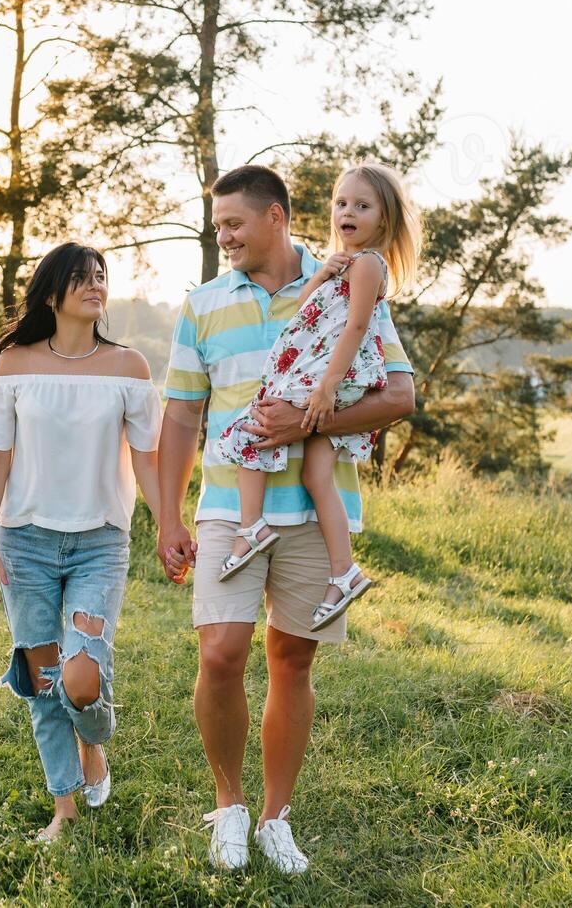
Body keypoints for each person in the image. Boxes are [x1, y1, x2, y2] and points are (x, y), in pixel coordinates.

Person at [155, 165, 417, 873]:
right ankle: (230, 804)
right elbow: (180, 415)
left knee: (292, 660)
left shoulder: (341, 281)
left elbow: (399, 396)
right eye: (217, 227)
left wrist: (302, 425)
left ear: (276, 217)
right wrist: (167, 517)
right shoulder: (203, 303)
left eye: (234, 224)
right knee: (220, 652)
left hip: (311, 511)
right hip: (225, 511)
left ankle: (276, 817)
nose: (224, 238)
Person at [0, 242, 164, 842]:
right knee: (44, 680)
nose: (95, 285)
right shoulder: (16, 364)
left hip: (99, 542)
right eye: (81, 278)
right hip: (23, 541)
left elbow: (148, 461)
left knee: (80, 677)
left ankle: (95, 745)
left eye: (100, 276)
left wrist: (170, 527)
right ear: (52, 294)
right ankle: (64, 809)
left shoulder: (129, 367)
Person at [213, 163, 421, 632]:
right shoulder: (345, 263)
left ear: (383, 221)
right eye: (342, 203)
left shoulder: (368, 263)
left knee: (253, 429)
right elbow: (309, 308)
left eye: (362, 206)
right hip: (330, 373)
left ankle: (251, 528)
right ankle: (343, 571)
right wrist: (322, 273)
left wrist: (326, 388)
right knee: (315, 473)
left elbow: (356, 327)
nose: (348, 212)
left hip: (332, 376)